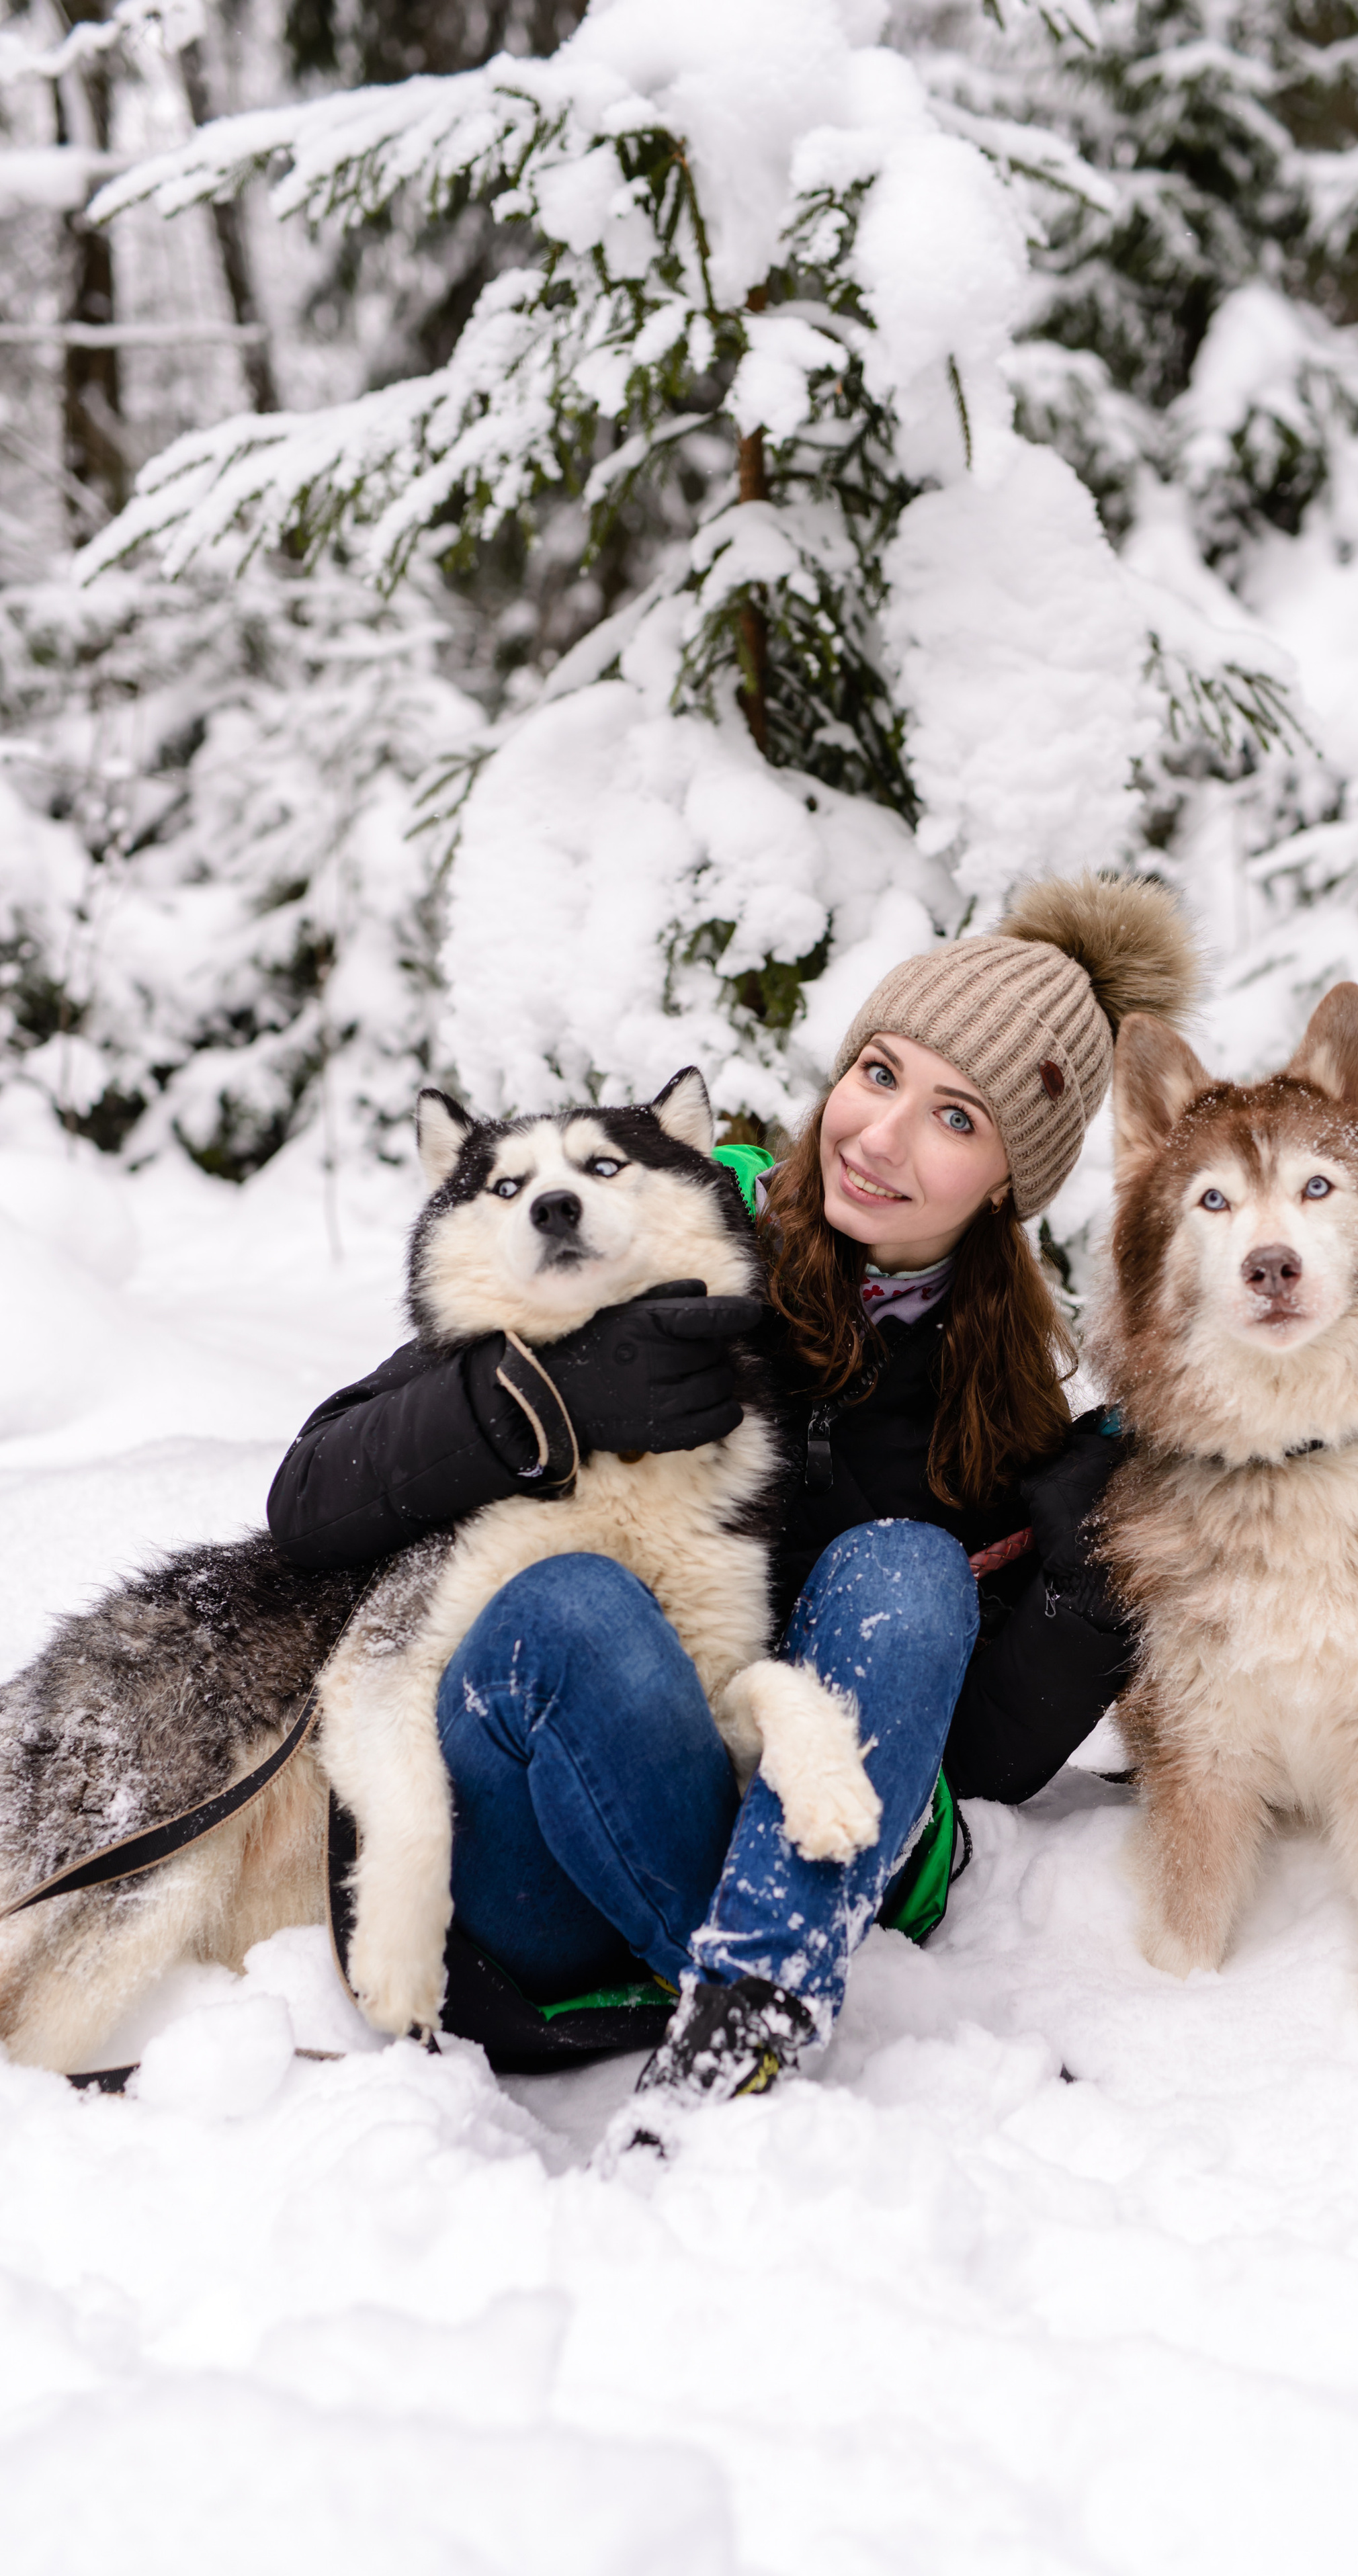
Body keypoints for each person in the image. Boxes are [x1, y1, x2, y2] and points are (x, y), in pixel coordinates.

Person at [267, 875, 1196, 2142]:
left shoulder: (997, 1402)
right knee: (576, 1607)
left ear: (1006, 1183)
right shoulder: (650, 1219)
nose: (879, 1135)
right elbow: (309, 1500)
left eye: (955, 1117)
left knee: (909, 1570)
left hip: (769, 1823)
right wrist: (541, 1394)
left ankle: (744, 2020)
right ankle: (770, 1974)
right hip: (528, 1857)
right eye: (878, 1072)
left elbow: (958, 1756)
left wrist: (1093, 1576)